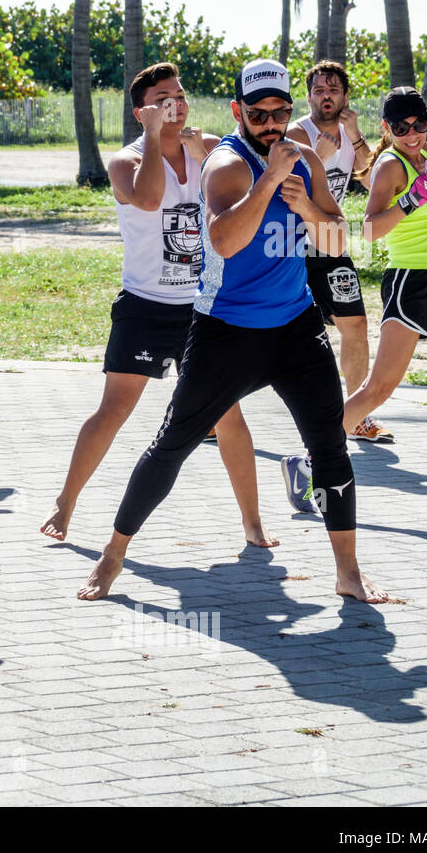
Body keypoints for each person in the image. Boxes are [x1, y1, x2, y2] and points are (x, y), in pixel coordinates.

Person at [77, 59, 387, 605]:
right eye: (259, 114)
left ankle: (348, 572)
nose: (271, 124)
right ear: (238, 112)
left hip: (295, 326)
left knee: (330, 445)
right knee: (172, 444)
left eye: (280, 113)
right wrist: (270, 182)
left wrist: (308, 208)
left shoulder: (306, 158)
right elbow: (222, 240)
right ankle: (113, 554)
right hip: (227, 330)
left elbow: (338, 238)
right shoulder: (227, 164)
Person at [40, 62, 276, 549]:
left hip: (205, 309)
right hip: (145, 307)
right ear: (142, 110)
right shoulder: (125, 160)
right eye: (164, 97)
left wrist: (199, 154)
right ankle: (65, 503)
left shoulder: (212, 151)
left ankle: (253, 523)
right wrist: (154, 136)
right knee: (113, 410)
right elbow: (149, 201)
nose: (178, 102)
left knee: (228, 414)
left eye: (181, 93)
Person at [304, 86, 427, 515]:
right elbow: (370, 230)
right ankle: (308, 461)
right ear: (387, 129)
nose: (412, 133)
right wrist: (410, 200)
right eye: (402, 127)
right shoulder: (390, 166)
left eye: (419, 125)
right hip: (408, 282)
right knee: (379, 389)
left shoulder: (426, 157)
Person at [284, 61, 394, 445]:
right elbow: (279, 181)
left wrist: (355, 134)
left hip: (329, 242)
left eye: (333, 89)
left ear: (345, 96)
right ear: (309, 96)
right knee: (266, 334)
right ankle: (215, 411)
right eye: (318, 89)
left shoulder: (349, 132)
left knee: (356, 325)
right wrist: (316, 154)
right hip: (286, 245)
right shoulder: (297, 132)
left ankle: (357, 415)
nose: (325, 95)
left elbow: (367, 175)